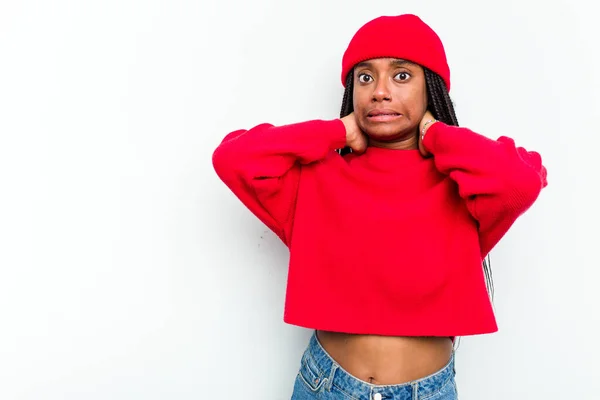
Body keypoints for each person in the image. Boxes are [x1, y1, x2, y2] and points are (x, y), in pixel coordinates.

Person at [212, 13, 547, 400]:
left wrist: (437, 135)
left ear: (431, 89)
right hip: (325, 386)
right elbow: (233, 159)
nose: (380, 91)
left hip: (429, 392)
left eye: (401, 76)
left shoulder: (463, 188)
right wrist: (335, 131)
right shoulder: (316, 180)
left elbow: (520, 182)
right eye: (365, 77)